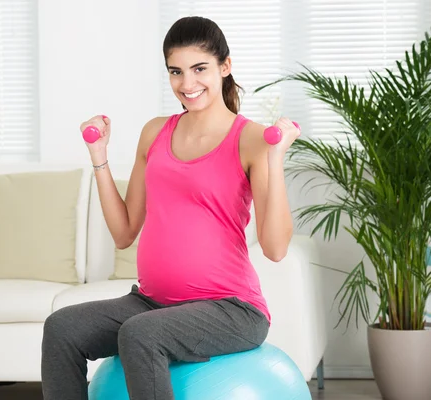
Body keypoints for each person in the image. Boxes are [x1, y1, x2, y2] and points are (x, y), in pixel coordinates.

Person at [41, 15, 300, 400]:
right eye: (176, 72)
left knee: (142, 334)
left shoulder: (251, 139)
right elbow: (125, 232)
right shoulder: (155, 132)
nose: (187, 84)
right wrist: (99, 156)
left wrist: (275, 157)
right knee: (61, 327)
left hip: (231, 310)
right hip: (151, 303)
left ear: (225, 67)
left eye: (200, 69)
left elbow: (276, 248)